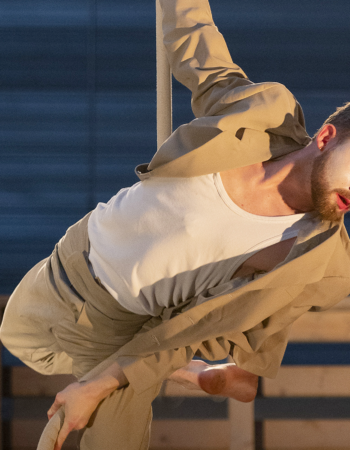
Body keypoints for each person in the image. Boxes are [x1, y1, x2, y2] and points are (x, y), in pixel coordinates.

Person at [2, 0, 350, 448]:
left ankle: (214, 373)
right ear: (326, 137)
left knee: (76, 423)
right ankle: (208, 374)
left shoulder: (316, 256)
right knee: (17, 339)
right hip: (69, 263)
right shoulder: (262, 113)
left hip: (126, 331)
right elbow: (194, 43)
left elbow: (186, 332)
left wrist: (106, 381)